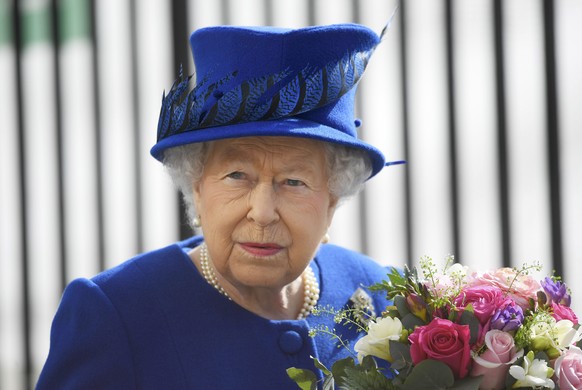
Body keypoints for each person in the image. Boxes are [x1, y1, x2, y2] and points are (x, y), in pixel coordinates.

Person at [37, 21, 403, 389]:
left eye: (294, 182)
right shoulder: (116, 313)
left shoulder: (378, 293)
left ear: (333, 199)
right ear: (196, 185)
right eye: (236, 176)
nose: (262, 212)